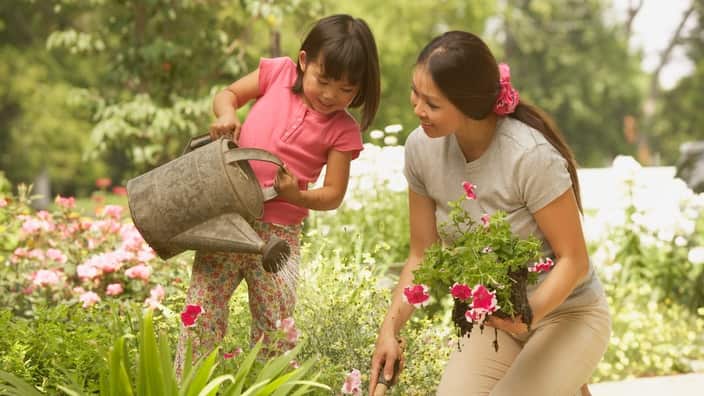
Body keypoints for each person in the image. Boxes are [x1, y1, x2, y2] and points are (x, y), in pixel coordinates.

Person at [369, 31, 610, 396]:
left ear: (468, 106)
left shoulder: (529, 156)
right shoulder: (421, 148)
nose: (417, 109)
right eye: (415, 93)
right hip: (496, 320)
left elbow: (573, 260)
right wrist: (390, 330)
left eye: (432, 103)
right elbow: (422, 253)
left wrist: (525, 317)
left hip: (569, 314)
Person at [174, 14, 380, 375]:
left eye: (347, 89)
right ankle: (186, 384)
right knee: (202, 313)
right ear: (304, 62)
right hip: (228, 218)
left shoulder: (343, 129)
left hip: (279, 240)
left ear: (362, 87)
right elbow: (229, 94)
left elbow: (333, 194)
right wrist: (226, 116)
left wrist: (296, 196)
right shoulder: (279, 74)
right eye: (324, 80)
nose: (331, 95)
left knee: (275, 327)